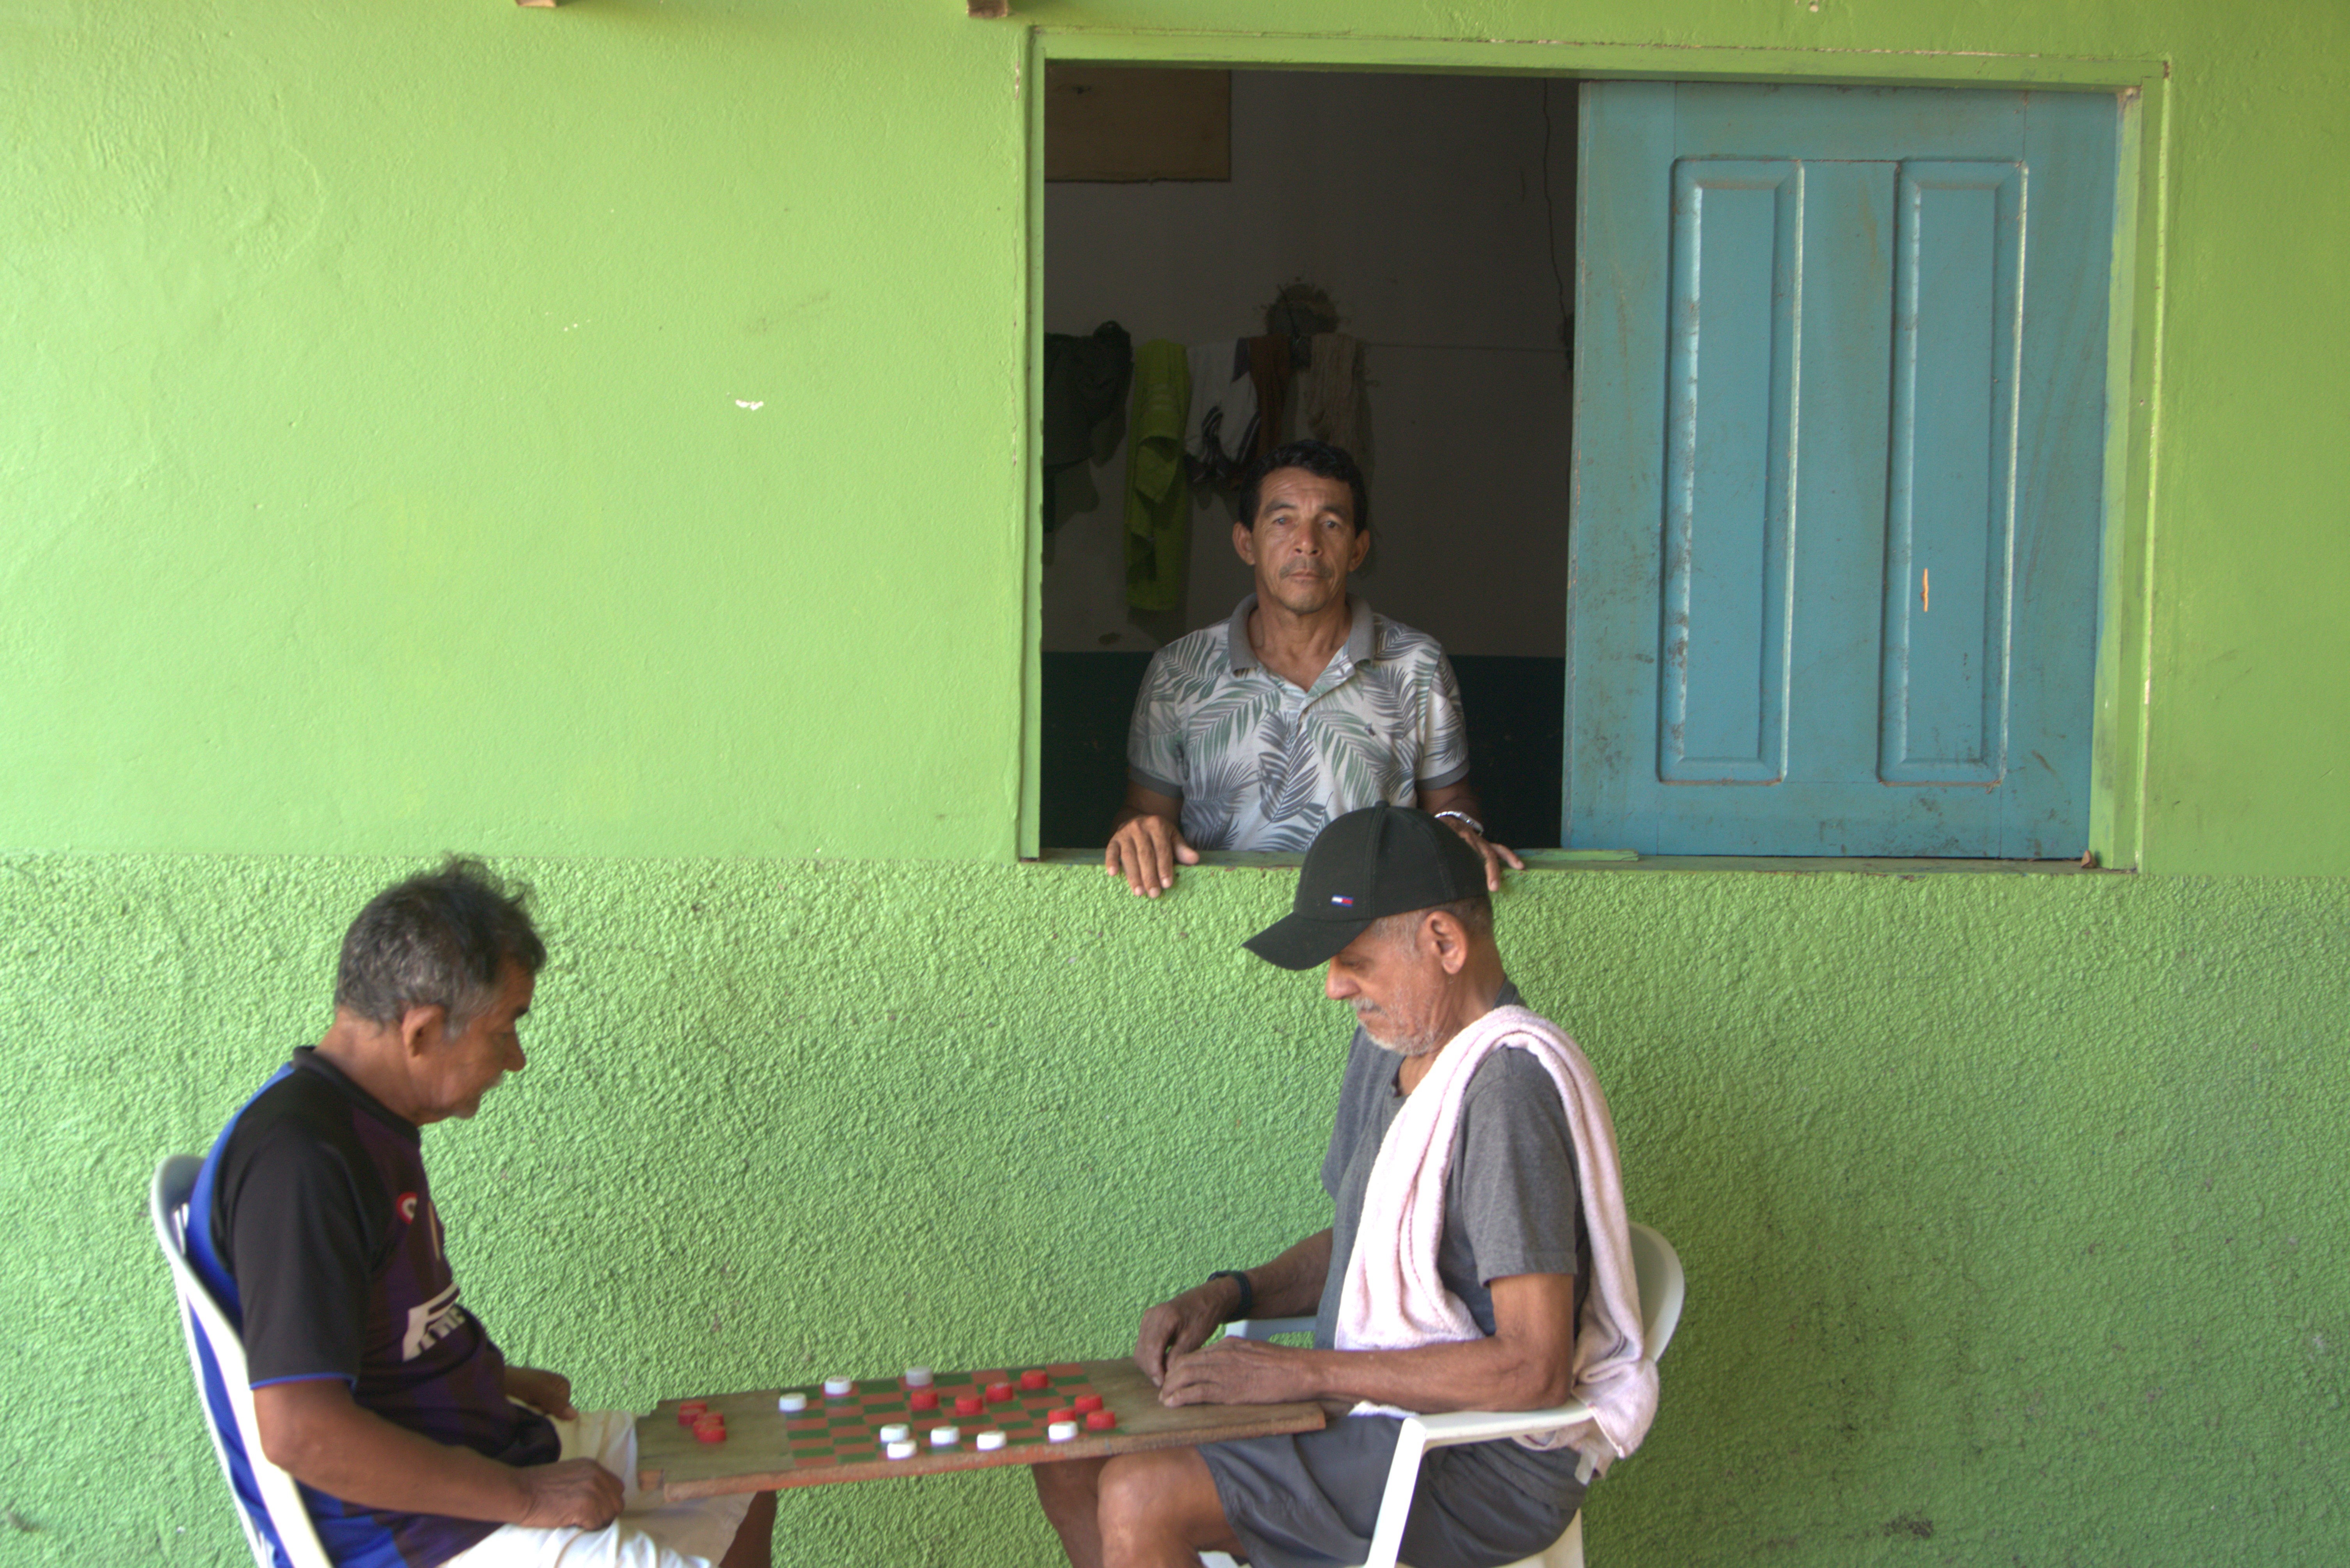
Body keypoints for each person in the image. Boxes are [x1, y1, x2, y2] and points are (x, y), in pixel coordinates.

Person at [1038, 805, 1656, 1568]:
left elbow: (1532, 1370)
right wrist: (1228, 1295)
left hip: (1482, 1461)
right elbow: (1363, 1242)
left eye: (1354, 960)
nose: (1335, 988)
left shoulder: (1504, 1091)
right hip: (1371, 1414)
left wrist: (1300, 1372)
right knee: (1068, 1454)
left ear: (1443, 943)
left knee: (1142, 1495)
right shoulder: (1393, 1046)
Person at [185, 859, 775, 1568]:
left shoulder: (361, 1123)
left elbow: (370, 1342)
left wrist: (492, 1377)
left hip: (484, 1442)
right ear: (423, 1032)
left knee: (744, 1471)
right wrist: (526, 1497)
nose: (517, 1059)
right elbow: (303, 1434)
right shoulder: (301, 1163)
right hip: (407, 1533)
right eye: (505, 1029)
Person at [1106, 439, 1523, 899]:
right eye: (1283, 521)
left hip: (1374, 927)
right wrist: (1139, 832)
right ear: (1247, 542)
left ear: (1358, 551)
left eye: (1330, 523)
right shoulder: (1178, 671)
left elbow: (1451, 801)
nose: (1307, 543)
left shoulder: (1416, 664)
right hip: (1217, 929)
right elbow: (1145, 813)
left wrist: (1458, 830)